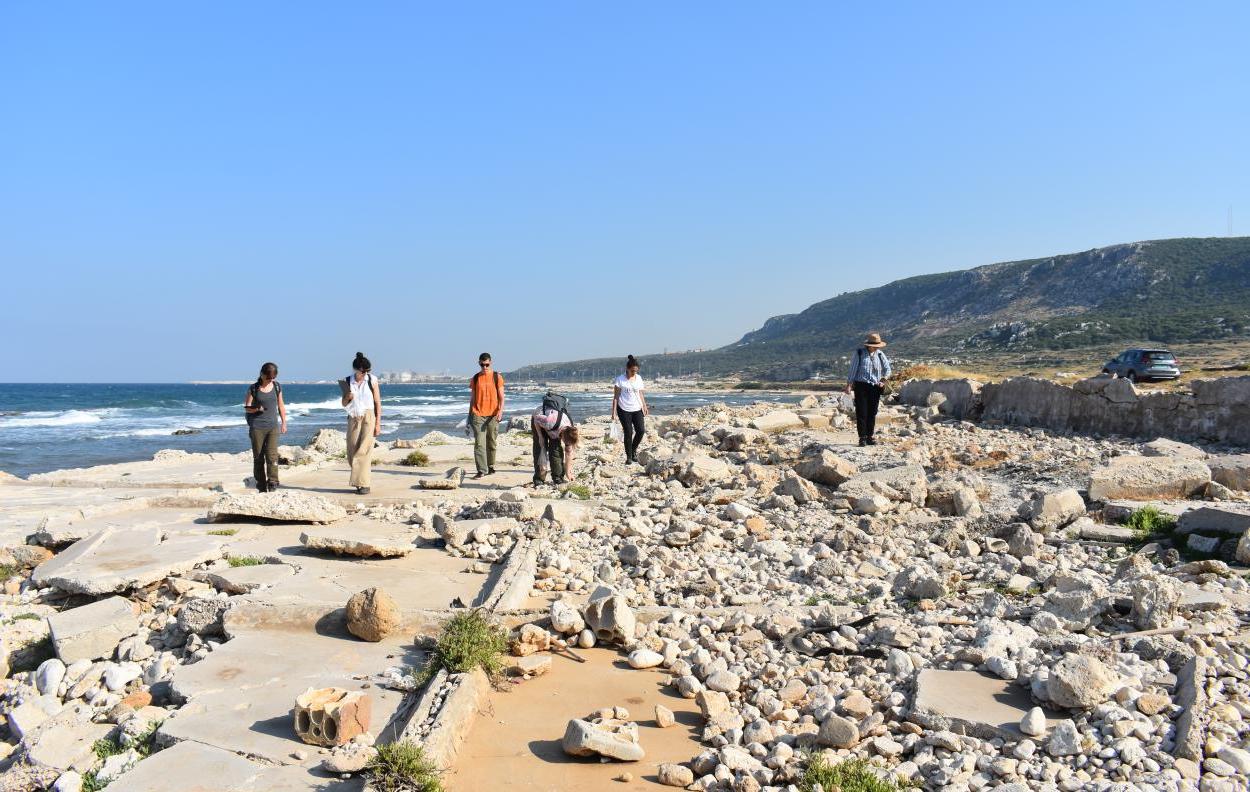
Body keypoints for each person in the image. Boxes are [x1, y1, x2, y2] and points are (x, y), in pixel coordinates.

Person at [341, 352, 382, 495]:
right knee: (352, 450)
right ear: (356, 370)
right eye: (363, 371)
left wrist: (378, 423)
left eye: (367, 371)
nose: (365, 374)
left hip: (368, 416)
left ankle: (364, 484)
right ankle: (359, 481)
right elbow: (344, 403)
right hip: (353, 416)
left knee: (364, 450)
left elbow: (377, 402)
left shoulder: (372, 380)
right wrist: (348, 397)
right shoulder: (347, 381)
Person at [243, 362, 287, 492]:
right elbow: (247, 408)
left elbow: (281, 405)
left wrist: (284, 422)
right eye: (268, 378)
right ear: (262, 374)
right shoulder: (253, 388)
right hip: (257, 427)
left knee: (272, 456)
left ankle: (273, 483)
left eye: (273, 378)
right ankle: (261, 485)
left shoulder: (277, 387)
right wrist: (257, 408)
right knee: (258, 457)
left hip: (273, 427)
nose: (270, 380)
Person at [844, 332, 892, 446]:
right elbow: (853, 370)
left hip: (875, 387)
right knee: (862, 412)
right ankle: (862, 438)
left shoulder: (880, 354)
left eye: (877, 346)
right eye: (874, 346)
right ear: (868, 345)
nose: (876, 348)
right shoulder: (859, 353)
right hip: (861, 386)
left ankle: (870, 436)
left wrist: (883, 380)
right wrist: (849, 385)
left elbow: (888, 369)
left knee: (872, 412)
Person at [467, 352, 504, 479]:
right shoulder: (475, 378)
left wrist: (500, 411)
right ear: (479, 363)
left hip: (493, 414)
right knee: (479, 444)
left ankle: (491, 466)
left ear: (490, 362)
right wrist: (469, 415)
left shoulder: (497, 377)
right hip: (478, 414)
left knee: (491, 442)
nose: (485, 367)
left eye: (487, 364)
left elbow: (501, 397)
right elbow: (472, 398)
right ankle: (481, 470)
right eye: (482, 365)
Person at [531, 394, 577, 485]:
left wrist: (568, 472)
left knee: (555, 450)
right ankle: (539, 478)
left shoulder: (571, 431)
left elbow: (569, 453)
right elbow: (536, 418)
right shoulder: (550, 421)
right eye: (565, 442)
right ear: (563, 435)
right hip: (540, 420)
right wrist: (540, 436)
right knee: (539, 449)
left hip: (555, 428)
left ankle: (558, 478)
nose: (566, 444)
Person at [611, 355, 649, 464]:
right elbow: (616, 397)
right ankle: (629, 457)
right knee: (628, 432)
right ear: (627, 369)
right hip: (623, 409)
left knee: (641, 431)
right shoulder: (620, 380)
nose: (634, 373)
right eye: (632, 371)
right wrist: (613, 413)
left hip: (637, 408)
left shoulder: (639, 378)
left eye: (636, 371)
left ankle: (633, 450)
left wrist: (644, 406)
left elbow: (640, 393)